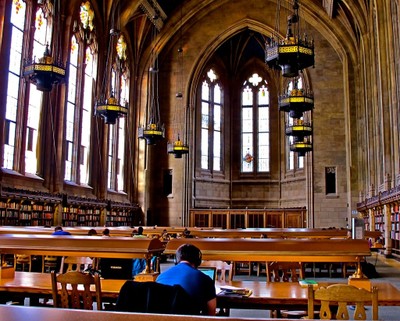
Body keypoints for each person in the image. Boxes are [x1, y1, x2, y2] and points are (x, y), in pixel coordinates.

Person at [156, 244, 216, 315]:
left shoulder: (160, 277)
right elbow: (211, 313)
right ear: (198, 261)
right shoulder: (205, 279)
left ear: (176, 260)